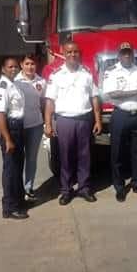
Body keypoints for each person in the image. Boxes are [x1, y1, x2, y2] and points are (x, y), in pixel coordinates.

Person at [44, 40, 103, 205]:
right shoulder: (56, 75)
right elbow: (50, 101)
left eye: (75, 52)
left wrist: (98, 120)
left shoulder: (87, 73)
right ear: (63, 53)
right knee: (65, 157)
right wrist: (48, 123)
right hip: (65, 121)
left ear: (79, 54)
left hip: (84, 119)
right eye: (69, 52)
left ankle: (84, 188)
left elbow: (94, 98)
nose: (72, 55)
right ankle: (66, 190)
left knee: (85, 156)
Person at [102, 42, 137, 202]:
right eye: (123, 53)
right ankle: (119, 187)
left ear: (133, 54)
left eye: (129, 52)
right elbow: (112, 94)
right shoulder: (111, 71)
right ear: (119, 55)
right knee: (117, 153)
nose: (126, 55)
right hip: (120, 115)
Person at [0, 57, 28, 220]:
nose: (13, 69)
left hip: (17, 127)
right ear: (3, 69)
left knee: (18, 166)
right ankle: (9, 207)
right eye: (10, 67)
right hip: (9, 128)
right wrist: (7, 139)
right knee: (11, 169)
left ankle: (19, 200)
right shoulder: (1, 87)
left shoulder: (14, 83)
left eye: (15, 67)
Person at [14, 54, 46, 200]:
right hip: (19, 126)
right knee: (17, 158)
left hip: (36, 126)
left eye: (32, 64)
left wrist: (46, 122)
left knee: (31, 158)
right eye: (27, 63)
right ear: (21, 65)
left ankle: (28, 188)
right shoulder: (15, 81)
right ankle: (17, 188)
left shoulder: (41, 82)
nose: (30, 67)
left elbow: (44, 103)